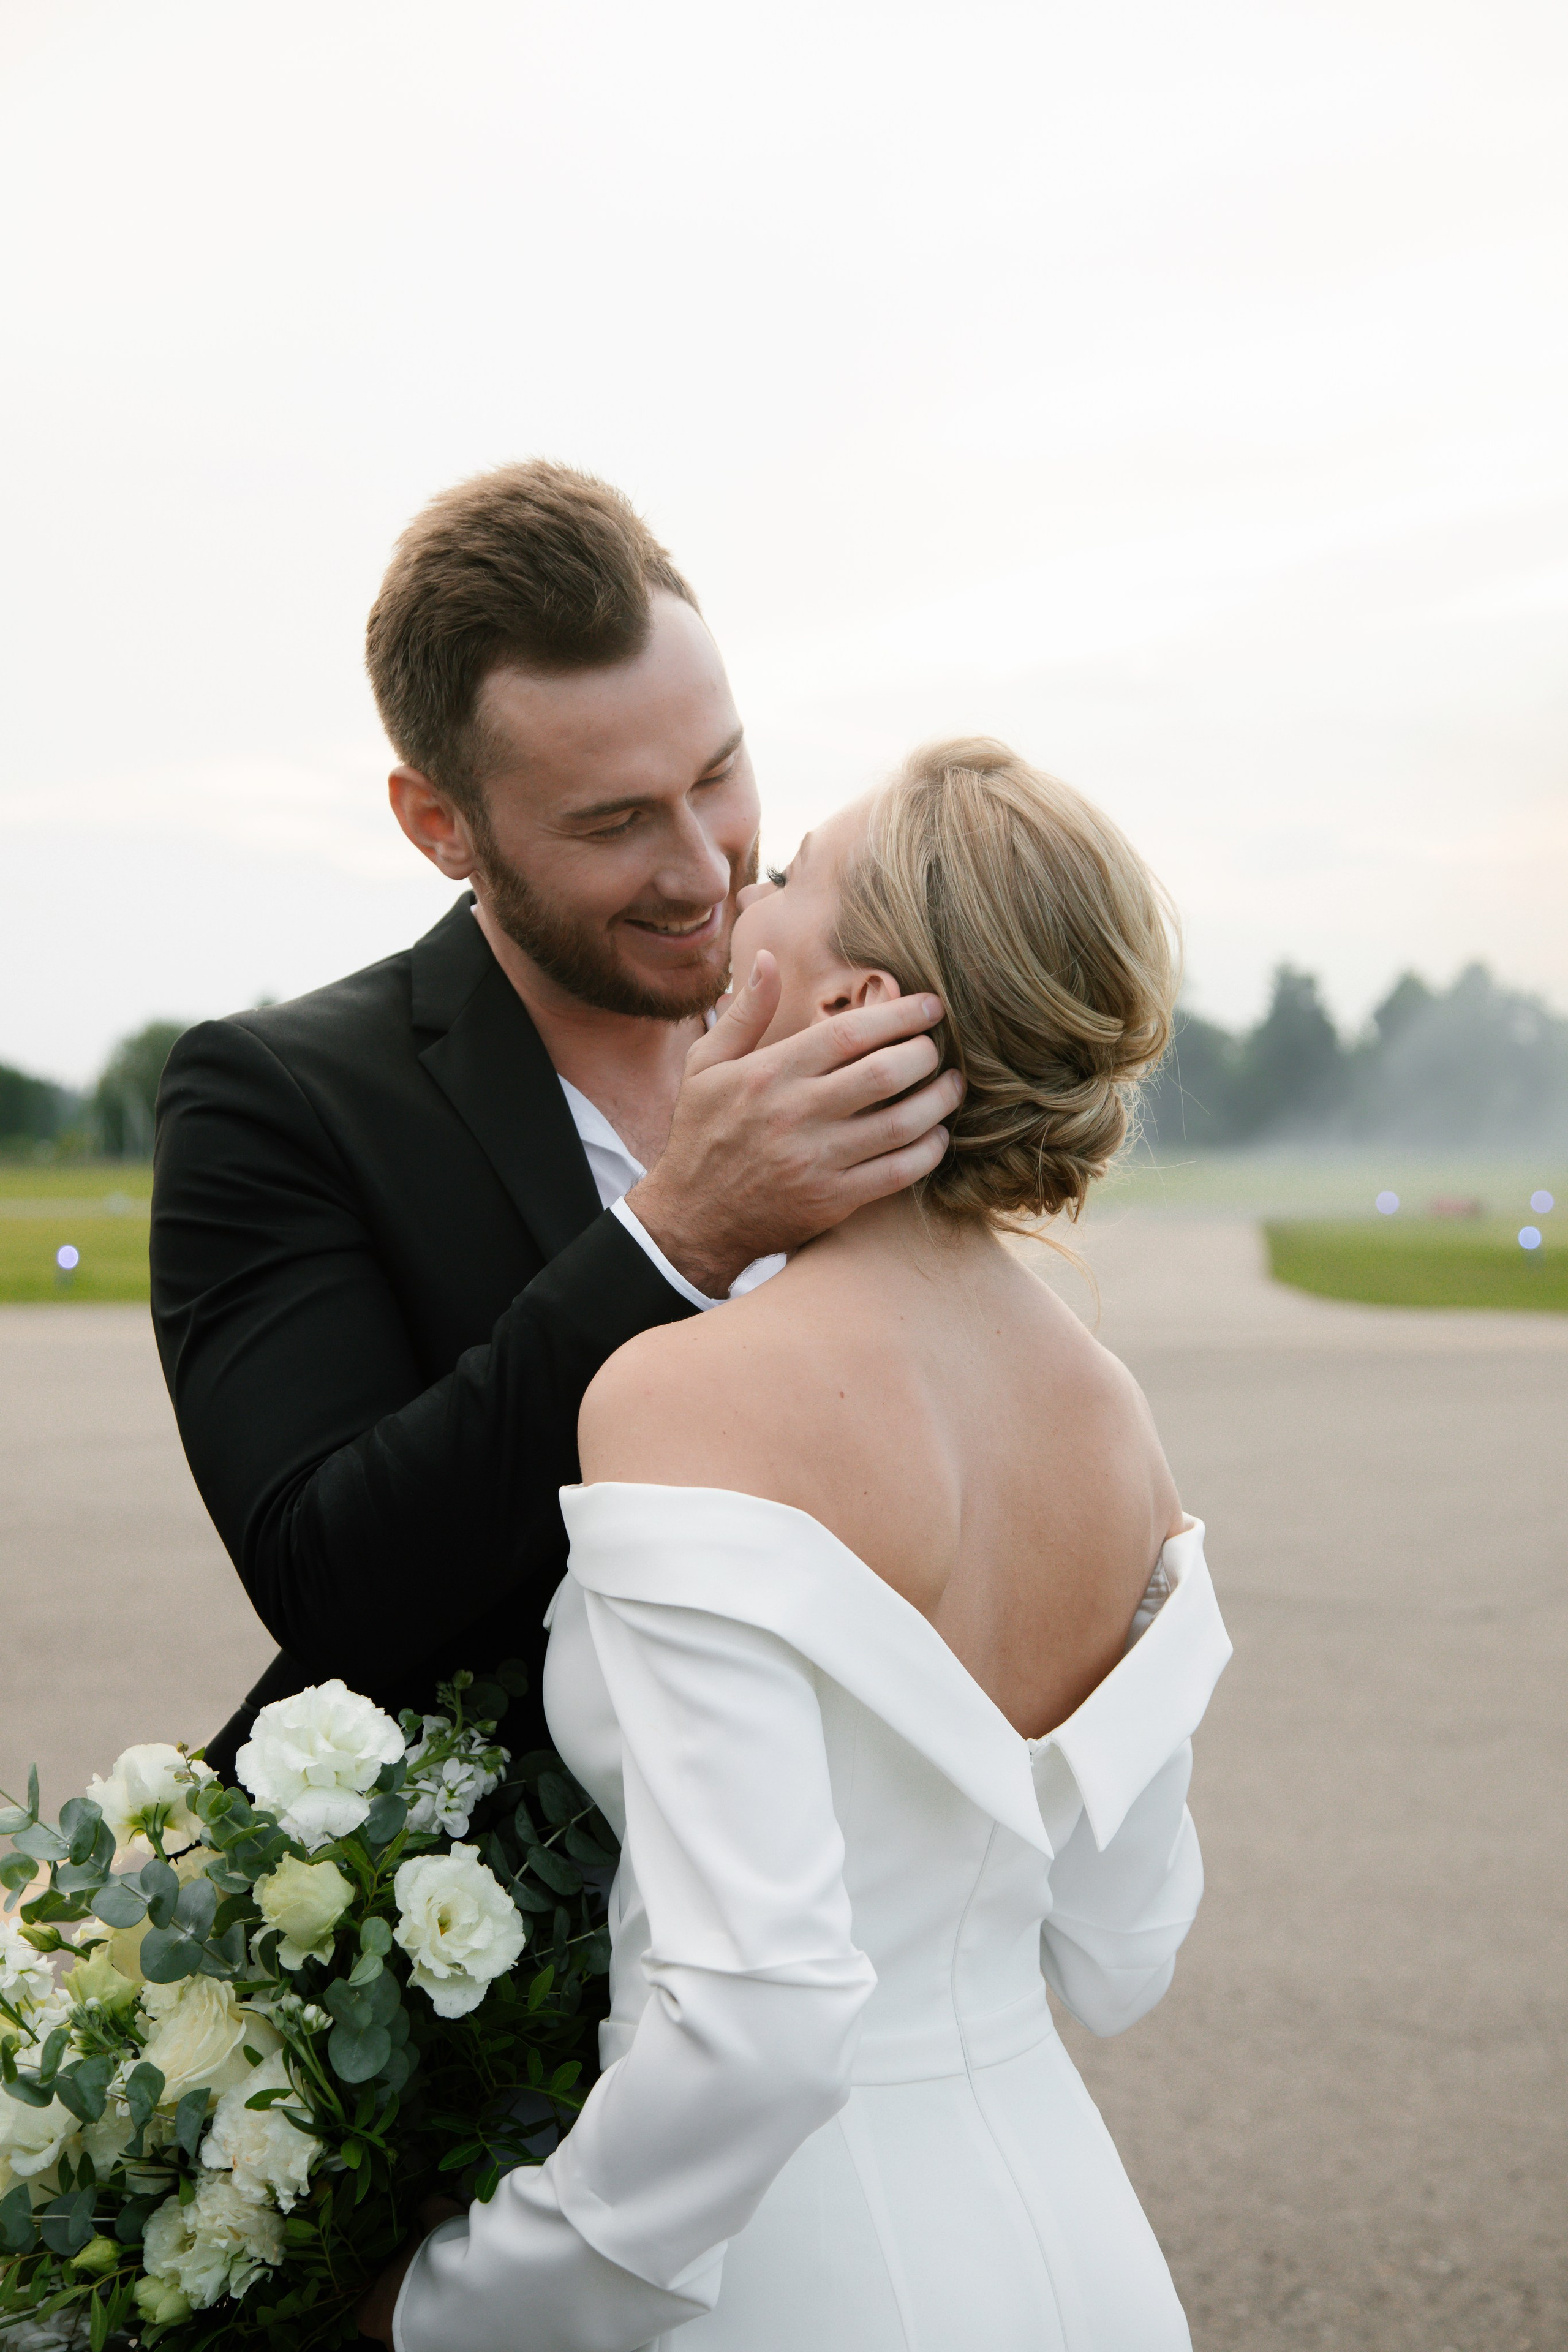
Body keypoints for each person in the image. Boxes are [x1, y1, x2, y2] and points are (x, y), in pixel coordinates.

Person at [368, 740, 1234, 2352]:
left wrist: (456, 2304)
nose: (730, 897)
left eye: (785, 879)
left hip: (800, 2283)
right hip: (1086, 2262)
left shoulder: (686, 1396)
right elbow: (1126, 1945)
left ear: (860, 1015)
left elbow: (756, 2028)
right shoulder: (1118, 1423)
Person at [150, 463, 957, 1774]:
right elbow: (326, 1577)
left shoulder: (856, 1031)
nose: (701, 868)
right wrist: (674, 1237)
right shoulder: (277, 1098)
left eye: (718, 774)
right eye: (613, 821)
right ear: (439, 824)